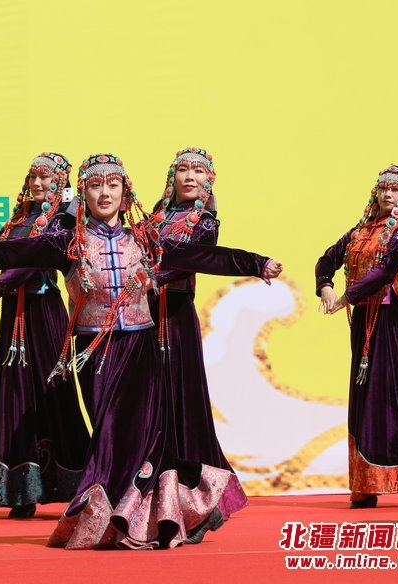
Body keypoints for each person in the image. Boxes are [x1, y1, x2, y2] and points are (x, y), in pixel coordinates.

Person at [0, 153, 282, 549]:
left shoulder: (144, 239)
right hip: (93, 351)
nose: (105, 193)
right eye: (96, 186)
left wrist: (256, 264)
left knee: (142, 437)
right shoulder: (67, 242)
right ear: (83, 193)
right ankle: (150, 512)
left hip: (141, 348)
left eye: (112, 185)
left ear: (124, 192)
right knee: (110, 436)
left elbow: (201, 256)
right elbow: (9, 253)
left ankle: (141, 518)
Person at [316, 163, 398, 509]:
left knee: (397, 398)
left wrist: (346, 296)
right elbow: (327, 259)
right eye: (384, 188)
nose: (388, 194)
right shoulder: (359, 231)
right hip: (364, 321)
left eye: (396, 189)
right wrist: (326, 286)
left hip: (388, 322)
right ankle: (367, 485)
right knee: (365, 399)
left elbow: (383, 273)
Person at [0, 152, 90, 519]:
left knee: (55, 396)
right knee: (15, 398)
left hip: (44, 316)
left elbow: (33, 264)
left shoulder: (62, 221)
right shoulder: (17, 222)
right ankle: (22, 491)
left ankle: (79, 486)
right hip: (14, 319)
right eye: (33, 177)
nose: (38, 183)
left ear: (60, 182)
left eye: (46, 177)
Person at [150, 147, 247, 520]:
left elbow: (187, 262)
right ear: (172, 177)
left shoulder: (205, 222)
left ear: (209, 179)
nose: (190, 177)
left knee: (182, 405)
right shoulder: (155, 216)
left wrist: (147, 277)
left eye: (199, 171)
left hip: (176, 318)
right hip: (146, 318)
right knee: (152, 406)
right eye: (183, 170)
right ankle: (156, 493)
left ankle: (203, 496)